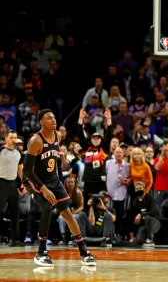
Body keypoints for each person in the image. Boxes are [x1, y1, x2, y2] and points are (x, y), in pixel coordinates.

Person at [22, 109, 96, 267]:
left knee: (67, 213)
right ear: (41, 122)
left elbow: (53, 159)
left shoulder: (58, 135)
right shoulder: (36, 140)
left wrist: (58, 170)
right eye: (49, 118)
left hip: (52, 178)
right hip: (33, 179)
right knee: (47, 208)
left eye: (54, 117)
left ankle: (84, 252)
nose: (54, 120)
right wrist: (43, 189)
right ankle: (41, 253)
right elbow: (27, 171)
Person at [0, 130, 24, 246]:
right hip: (1, 182)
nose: (14, 140)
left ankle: (14, 239)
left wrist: (23, 183)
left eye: (15, 138)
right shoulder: (0, 150)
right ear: (6, 138)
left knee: (15, 212)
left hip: (13, 183)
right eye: (11, 137)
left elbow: (20, 170)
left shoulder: (19, 152)